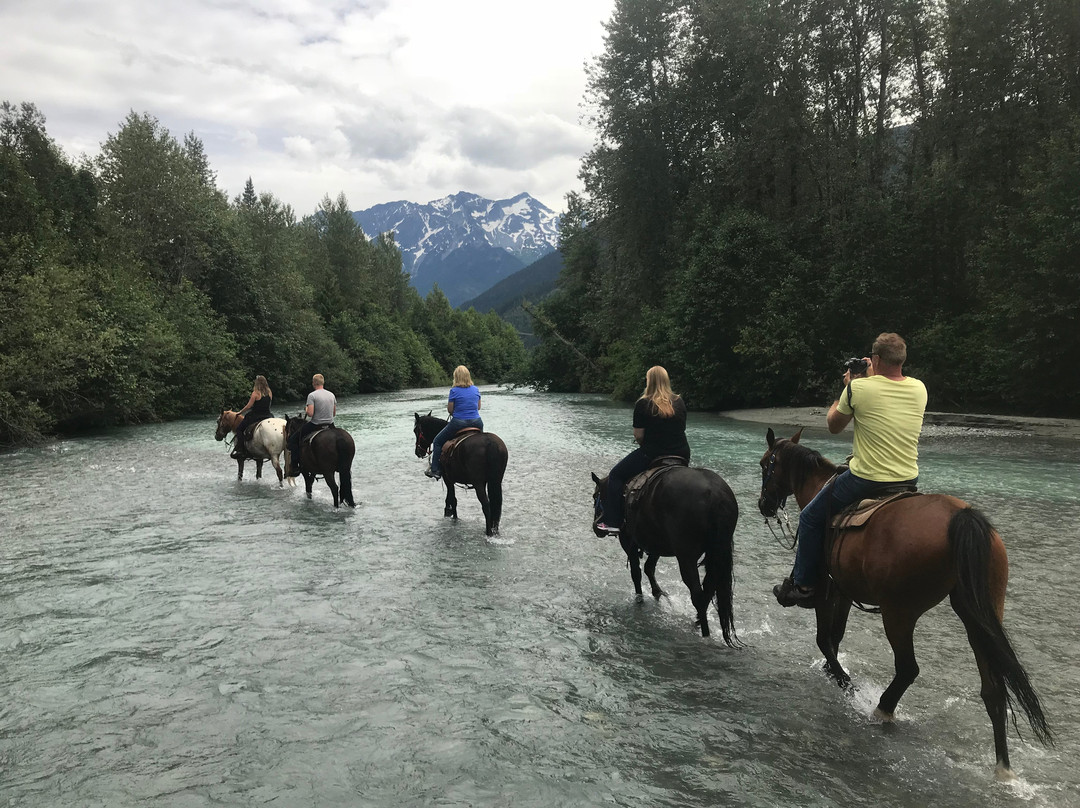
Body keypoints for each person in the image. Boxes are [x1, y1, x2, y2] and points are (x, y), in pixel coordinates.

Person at [773, 332, 928, 607]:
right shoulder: (919, 388)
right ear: (902, 359)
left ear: (876, 359)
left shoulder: (858, 389)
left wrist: (849, 386)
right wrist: (871, 376)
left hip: (867, 479)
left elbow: (834, 425)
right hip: (908, 477)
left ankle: (804, 585)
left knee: (809, 518)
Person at [595, 365, 690, 536]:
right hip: (681, 453)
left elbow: (639, 436)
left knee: (615, 475)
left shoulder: (643, 403)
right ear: (666, 380)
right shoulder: (679, 401)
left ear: (649, 381)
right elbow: (681, 428)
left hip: (653, 453)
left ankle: (613, 522)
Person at [425, 365, 483, 481]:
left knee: (437, 441)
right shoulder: (476, 389)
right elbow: (479, 407)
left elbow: (450, 410)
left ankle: (435, 469)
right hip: (477, 422)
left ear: (456, 377)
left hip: (459, 423)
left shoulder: (454, 391)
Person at [289, 373, 337, 474]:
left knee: (293, 440)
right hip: (330, 424)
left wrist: (306, 409)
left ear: (313, 383)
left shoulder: (312, 395)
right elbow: (334, 413)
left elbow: (310, 414)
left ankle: (295, 467)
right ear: (323, 382)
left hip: (316, 424)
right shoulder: (331, 394)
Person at [233, 375, 274, 457]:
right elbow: (269, 404)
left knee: (239, 429)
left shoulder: (255, 393)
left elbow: (248, 406)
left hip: (256, 416)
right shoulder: (269, 392)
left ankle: (240, 450)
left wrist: (240, 412)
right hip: (267, 415)